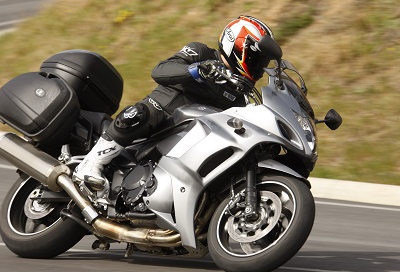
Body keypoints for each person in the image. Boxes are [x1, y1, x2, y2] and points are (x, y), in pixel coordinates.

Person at [73, 15, 275, 188]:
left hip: (190, 140)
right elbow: (160, 71)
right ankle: (91, 164)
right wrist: (198, 70)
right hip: (162, 118)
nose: (257, 67)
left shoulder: (240, 95)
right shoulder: (201, 53)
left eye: (261, 63)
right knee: (138, 115)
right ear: (238, 47)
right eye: (256, 59)